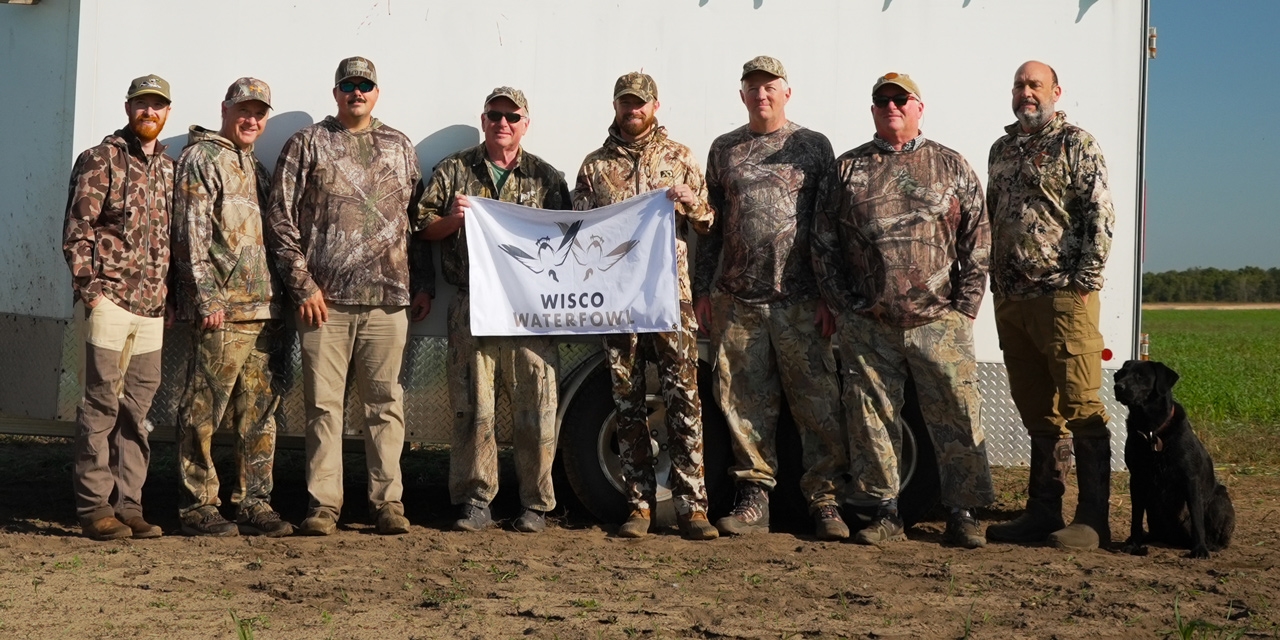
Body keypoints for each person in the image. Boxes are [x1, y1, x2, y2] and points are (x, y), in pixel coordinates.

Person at [812, 72, 995, 548]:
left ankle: (963, 513)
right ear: (873, 110)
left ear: (919, 107)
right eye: (882, 100)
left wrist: (964, 308)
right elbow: (823, 243)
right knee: (871, 419)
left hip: (940, 321)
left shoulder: (950, 164)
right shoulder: (847, 169)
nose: (891, 106)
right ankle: (885, 513)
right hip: (869, 324)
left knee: (957, 413)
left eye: (901, 98)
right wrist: (845, 308)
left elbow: (977, 238)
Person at [266, 57, 432, 536]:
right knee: (323, 407)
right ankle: (323, 505)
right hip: (325, 304)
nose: (356, 92)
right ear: (336, 92)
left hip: (388, 300)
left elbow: (415, 222)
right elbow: (279, 218)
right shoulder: (307, 143)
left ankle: (388, 503)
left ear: (376, 93)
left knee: (385, 405)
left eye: (365, 85)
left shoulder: (400, 145)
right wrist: (303, 286)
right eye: (348, 85)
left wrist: (423, 284)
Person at [692, 56, 848, 540]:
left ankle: (826, 501)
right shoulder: (724, 149)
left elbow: (828, 225)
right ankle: (753, 498)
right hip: (739, 302)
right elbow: (712, 228)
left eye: (770, 87)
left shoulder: (813, 146)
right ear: (742, 95)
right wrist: (703, 290)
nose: (762, 95)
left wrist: (829, 294)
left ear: (786, 93)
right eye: (753, 87)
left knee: (818, 406)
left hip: (800, 301)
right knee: (743, 406)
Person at [572, 72, 718, 541]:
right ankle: (638, 505)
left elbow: (709, 222)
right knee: (627, 401)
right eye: (625, 102)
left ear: (655, 105)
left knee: (684, 399)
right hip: (618, 302)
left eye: (640, 102)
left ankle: (693, 507)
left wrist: (692, 203)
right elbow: (577, 231)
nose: (632, 109)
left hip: (670, 299)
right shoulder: (594, 167)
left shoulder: (680, 158)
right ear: (615, 106)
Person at [419, 87, 569, 534]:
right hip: (473, 305)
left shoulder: (547, 178)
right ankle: (474, 500)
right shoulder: (454, 170)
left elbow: (568, 241)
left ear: (526, 124)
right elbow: (421, 227)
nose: (503, 123)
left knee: (536, 408)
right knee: (473, 407)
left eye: (512, 116)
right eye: (495, 114)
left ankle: (535, 504)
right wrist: (454, 220)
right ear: (483, 121)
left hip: (530, 310)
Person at [984, 61, 1116, 551]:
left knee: (1081, 406)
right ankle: (1043, 512)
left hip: (1063, 297)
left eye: (1035, 85)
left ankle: (1093, 519)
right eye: (1019, 85)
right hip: (1013, 299)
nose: (1026, 92)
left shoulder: (1076, 144)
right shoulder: (1001, 150)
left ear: (1056, 92)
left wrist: (1084, 282)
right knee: (1038, 412)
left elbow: (1100, 213)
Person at [170, 77, 291, 537]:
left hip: (264, 312)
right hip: (223, 312)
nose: (251, 120)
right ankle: (198, 504)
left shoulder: (256, 167)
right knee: (202, 411)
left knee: (259, 415)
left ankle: (254, 502)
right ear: (225, 109)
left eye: (259, 113)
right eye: (244, 110)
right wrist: (205, 296)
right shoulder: (202, 158)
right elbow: (190, 233)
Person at [63, 74, 175, 540]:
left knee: (137, 413)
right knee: (100, 405)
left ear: (167, 111)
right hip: (110, 301)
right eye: (141, 104)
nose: (149, 112)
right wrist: (91, 291)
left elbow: (173, 239)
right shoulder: (101, 158)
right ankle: (95, 508)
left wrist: (170, 298)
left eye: (157, 105)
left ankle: (129, 505)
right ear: (128, 108)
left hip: (152, 309)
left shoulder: (169, 169)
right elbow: (77, 230)